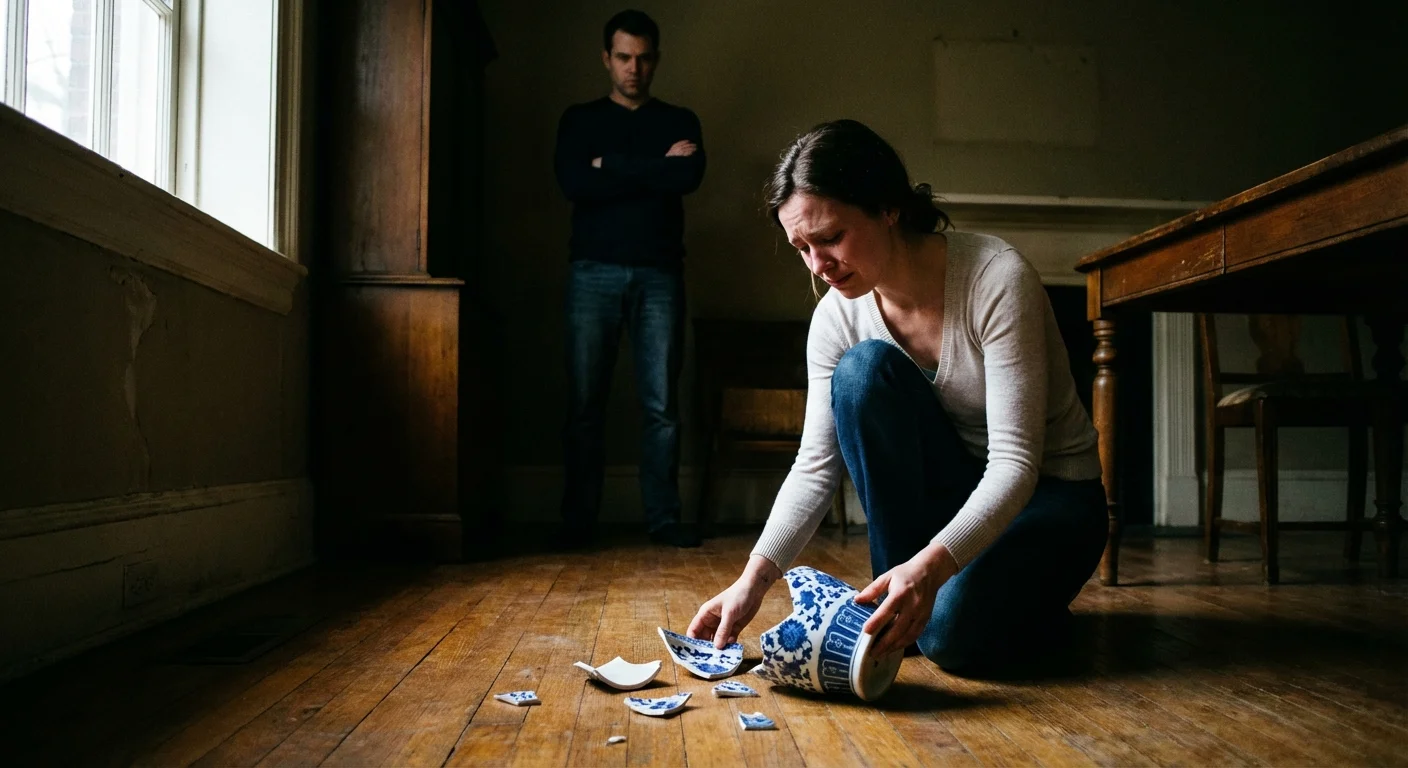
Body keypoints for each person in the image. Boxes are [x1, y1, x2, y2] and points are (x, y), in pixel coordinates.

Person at [686, 120, 1107, 675]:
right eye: (801, 248)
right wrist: (752, 582)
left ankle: (979, 607)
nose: (817, 265)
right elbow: (815, 466)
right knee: (861, 372)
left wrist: (932, 568)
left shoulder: (996, 279)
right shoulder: (837, 317)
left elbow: (1015, 464)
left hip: (1050, 498)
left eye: (830, 238)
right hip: (960, 492)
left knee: (952, 641)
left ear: (888, 208)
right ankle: (905, 600)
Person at [554, 10, 706, 549]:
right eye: (623, 57)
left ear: (656, 59)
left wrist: (609, 165)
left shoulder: (680, 119)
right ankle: (578, 521)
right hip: (590, 271)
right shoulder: (579, 119)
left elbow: (687, 176)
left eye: (643, 58)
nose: (634, 68)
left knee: (662, 404)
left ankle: (663, 520)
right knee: (583, 402)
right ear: (607, 59)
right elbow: (574, 183)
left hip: (660, 274)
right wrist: (652, 168)